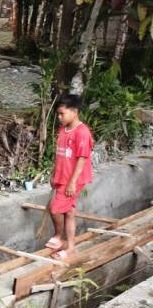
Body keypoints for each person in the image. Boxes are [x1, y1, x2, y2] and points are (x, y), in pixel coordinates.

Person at [45, 93, 93, 260]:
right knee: (70, 212)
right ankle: (71, 247)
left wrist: (72, 182)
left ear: (75, 111)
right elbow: (60, 155)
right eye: (58, 114)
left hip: (73, 179)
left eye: (62, 114)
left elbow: (82, 158)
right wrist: (54, 174)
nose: (59, 117)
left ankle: (59, 236)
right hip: (62, 176)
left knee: (55, 209)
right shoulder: (63, 130)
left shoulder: (82, 132)